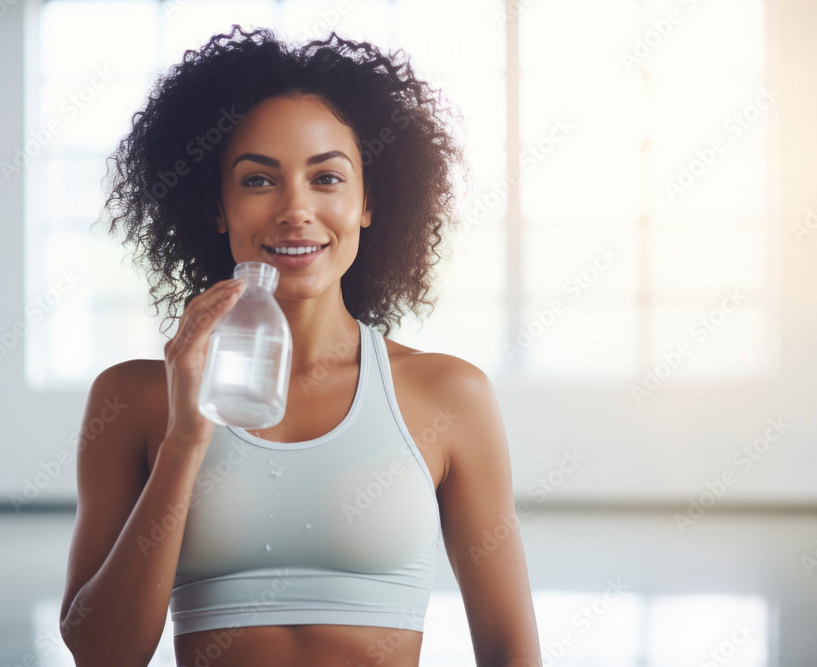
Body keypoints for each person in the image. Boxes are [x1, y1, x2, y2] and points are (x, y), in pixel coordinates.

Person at [59, 24, 542, 667]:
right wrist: (184, 442)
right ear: (216, 206)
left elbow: (513, 652)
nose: (294, 209)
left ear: (369, 200)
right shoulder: (134, 398)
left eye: (327, 179)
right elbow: (101, 654)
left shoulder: (449, 396)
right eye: (259, 181)